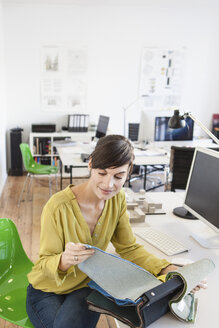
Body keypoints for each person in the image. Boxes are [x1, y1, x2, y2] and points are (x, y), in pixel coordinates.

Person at [26, 134, 205, 328]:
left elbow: (128, 248)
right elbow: (43, 264)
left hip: (84, 287)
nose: (108, 185)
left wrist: (165, 268)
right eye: (101, 173)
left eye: (118, 176)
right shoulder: (58, 207)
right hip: (47, 289)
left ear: (129, 172)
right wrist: (64, 260)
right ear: (90, 164)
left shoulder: (117, 201)